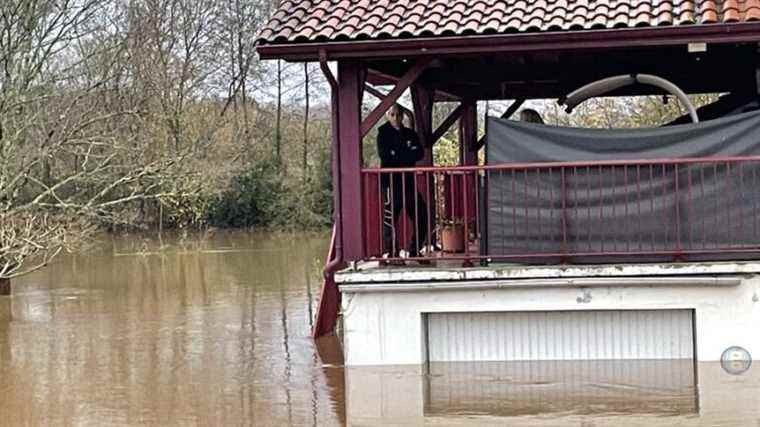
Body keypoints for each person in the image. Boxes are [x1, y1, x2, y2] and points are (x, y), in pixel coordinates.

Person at [377, 104, 429, 263]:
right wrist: (407, 153)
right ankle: (393, 254)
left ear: (402, 116)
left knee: (421, 215)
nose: (395, 118)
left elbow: (420, 152)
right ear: (387, 115)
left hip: (408, 182)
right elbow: (386, 156)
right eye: (392, 114)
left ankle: (414, 250)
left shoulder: (410, 133)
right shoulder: (382, 134)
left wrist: (399, 153)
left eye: (398, 114)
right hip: (391, 182)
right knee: (390, 218)